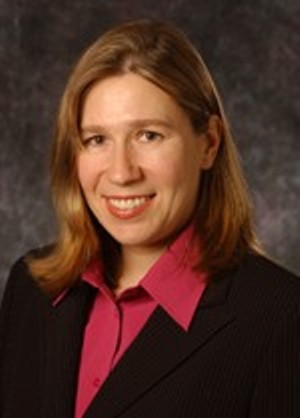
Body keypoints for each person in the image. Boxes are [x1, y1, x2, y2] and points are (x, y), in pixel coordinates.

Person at [0, 19, 299, 418]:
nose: (122, 172)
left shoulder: (282, 317)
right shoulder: (32, 287)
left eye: (149, 136)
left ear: (209, 143)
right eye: (96, 140)